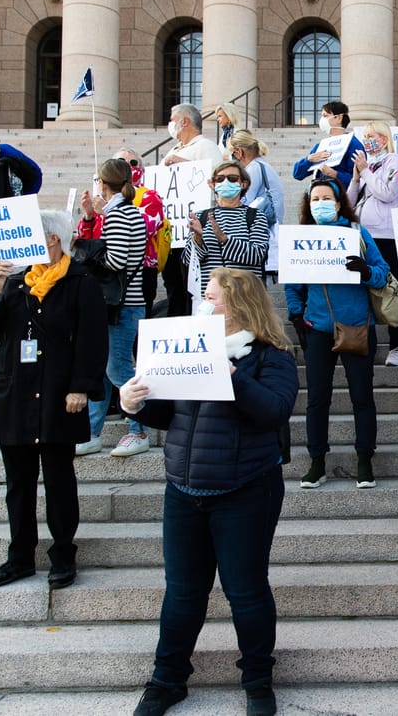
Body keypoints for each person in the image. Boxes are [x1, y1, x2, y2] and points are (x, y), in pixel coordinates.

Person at [122, 267, 299, 716]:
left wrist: (229, 375)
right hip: (183, 487)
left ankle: (258, 681)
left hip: (245, 488)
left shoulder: (270, 354)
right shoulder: (186, 346)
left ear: (238, 302)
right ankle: (167, 680)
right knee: (182, 592)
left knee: (246, 590)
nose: (205, 303)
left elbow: (274, 412)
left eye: (212, 297)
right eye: (205, 296)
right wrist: (135, 404)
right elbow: (172, 415)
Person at [0, 210, 108, 591]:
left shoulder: (80, 281)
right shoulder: (18, 282)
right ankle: (19, 557)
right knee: (18, 482)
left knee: (59, 480)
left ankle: (63, 554)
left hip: (57, 394)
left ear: (52, 238)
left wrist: (81, 387)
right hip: (15, 393)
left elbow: (92, 339)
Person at [285, 178, 389, 490]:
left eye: (326, 198)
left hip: (357, 326)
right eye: (314, 199)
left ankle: (364, 460)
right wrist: (295, 314)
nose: (320, 204)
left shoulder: (357, 233)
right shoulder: (302, 236)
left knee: (362, 396)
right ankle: (316, 463)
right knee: (317, 398)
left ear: (339, 202)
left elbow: (382, 271)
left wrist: (367, 272)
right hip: (317, 328)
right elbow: (292, 282)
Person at [76, 158, 150, 457]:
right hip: (122, 304)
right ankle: (92, 432)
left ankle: (138, 429)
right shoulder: (122, 212)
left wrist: (87, 253)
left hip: (123, 305)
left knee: (119, 370)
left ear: (103, 184)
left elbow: (115, 261)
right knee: (103, 371)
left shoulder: (120, 215)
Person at [348, 121, 398, 366]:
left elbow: (387, 193)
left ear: (383, 139)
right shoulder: (365, 167)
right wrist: (355, 178)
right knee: (363, 289)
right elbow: (350, 203)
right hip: (361, 233)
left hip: (385, 235)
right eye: (364, 136)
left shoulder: (394, 161)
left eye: (371, 136)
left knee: (388, 288)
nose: (367, 140)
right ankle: (366, 344)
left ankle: (396, 347)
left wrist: (365, 172)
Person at [84, 148, 166, 319]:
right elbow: (89, 237)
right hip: (108, 280)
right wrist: (89, 216)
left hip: (138, 274)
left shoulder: (149, 196)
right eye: (122, 162)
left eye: (133, 162)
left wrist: (106, 212)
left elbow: (143, 229)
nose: (128, 165)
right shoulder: (103, 200)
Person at [161, 103, 220, 316]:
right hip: (173, 233)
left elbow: (215, 178)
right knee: (173, 285)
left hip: (194, 231)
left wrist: (182, 163)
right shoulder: (172, 149)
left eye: (172, 118)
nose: (170, 123)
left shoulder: (205, 146)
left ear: (184, 121)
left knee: (190, 285)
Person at [187, 160, 270, 290]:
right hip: (210, 297)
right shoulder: (200, 217)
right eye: (220, 179)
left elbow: (257, 255)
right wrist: (197, 238)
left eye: (232, 178)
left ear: (243, 183)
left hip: (245, 296)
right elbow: (189, 261)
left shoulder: (256, 216)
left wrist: (224, 239)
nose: (225, 182)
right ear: (213, 184)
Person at [292, 100, 365, 190]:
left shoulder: (353, 144)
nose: (322, 120)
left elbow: (360, 180)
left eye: (325, 116)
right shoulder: (321, 146)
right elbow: (297, 174)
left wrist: (334, 174)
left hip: (342, 199)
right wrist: (309, 160)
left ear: (339, 118)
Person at [229, 130, 285, 229]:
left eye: (233, 154)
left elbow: (245, 201)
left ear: (239, 152)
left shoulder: (253, 168)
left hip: (262, 228)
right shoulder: (262, 165)